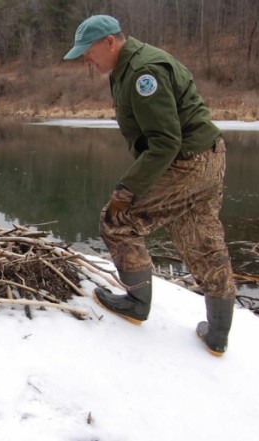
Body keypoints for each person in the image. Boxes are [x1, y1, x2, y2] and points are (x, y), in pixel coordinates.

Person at [63, 15, 236, 356]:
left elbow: (166, 142)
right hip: (207, 156)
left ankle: (136, 303)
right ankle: (217, 334)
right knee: (201, 240)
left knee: (116, 221)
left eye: (89, 51)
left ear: (110, 42)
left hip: (188, 159)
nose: (86, 60)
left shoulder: (144, 72)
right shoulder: (129, 67)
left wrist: (126, 191)